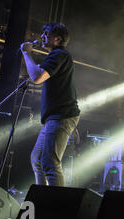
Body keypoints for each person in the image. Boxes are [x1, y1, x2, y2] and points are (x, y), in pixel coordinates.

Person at [20, 23, 80, 186]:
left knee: (50, 163)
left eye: (46, 33)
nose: (42, 36)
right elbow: (37, 73)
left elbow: (37, 77)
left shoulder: (59, 54)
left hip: (61, 116)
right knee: (37, 160)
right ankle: (43, 199)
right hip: (54, 117)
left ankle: (56, 206)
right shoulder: (56, 56)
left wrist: (26, 53)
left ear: (58, 38)